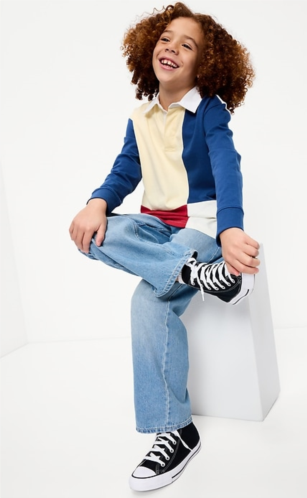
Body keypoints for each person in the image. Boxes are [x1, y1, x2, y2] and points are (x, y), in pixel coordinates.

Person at [69, 2, 260, 491]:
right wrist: (96, 203)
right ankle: (195, 273)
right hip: (157, 229)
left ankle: (176, 431)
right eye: (165, 38)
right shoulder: (140, 117)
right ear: (148, 48)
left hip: (199, 224)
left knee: (146, 302)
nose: (172, 48)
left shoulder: (210, 111)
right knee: (96, 234)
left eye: (187, 45)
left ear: (205, 64)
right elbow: (124, 170)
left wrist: (229, 229)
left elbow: (227, 167)